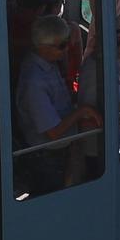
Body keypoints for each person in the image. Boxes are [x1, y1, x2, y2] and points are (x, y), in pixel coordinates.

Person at [15, 14, 101, 193]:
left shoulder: (47, 63)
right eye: (62, 46)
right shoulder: (35, 81)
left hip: (58, 151)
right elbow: (53, 132)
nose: (66, 49)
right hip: (46, 156)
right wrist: (82, 111)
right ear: (43, 46)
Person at [78, 16, 120, 163]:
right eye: (119, 43)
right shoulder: (93, 70)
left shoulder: (114, 60)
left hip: (117, 138)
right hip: (99, 145)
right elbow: (88, 112)